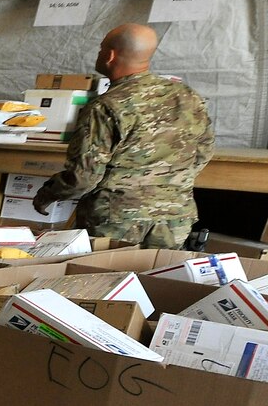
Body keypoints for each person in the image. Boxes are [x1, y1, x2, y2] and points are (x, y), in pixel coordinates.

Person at [32, 23, 213, 246]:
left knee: (105, 280)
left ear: (109, 55)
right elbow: (202, 152)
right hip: (174, 219)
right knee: (159, 279)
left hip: (117, 221)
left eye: (100, 49)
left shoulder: (106, 107)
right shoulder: (188, 96)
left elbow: (83, 177)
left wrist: (47, 195)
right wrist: (167, 182)